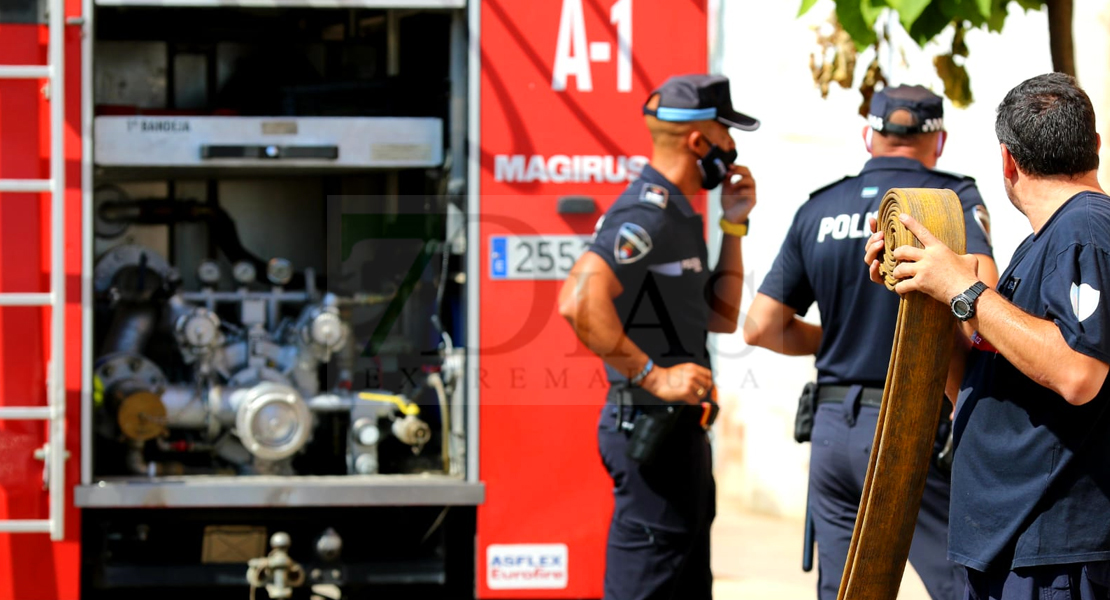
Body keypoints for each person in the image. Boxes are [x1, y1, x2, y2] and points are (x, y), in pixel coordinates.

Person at [744, 84, 999, 600]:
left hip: (834, 428)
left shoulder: (818, 207)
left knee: (846, 590)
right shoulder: (951, 201)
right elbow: (982, 308)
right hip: (913, 418)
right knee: (963, 583)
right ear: (939, 142)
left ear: (869, 136)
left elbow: (761, 326)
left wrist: (837, 339)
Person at [864, 72, 1110, 599]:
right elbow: (977, 386)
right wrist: (926, 291)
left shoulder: (1085, 228)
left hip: (1058, 555)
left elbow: (1078, 372)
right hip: (1017, 546)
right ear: (1094, 144)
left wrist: (966, 290)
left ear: (1007, 161)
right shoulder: (1049, 240)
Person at [557, 74, 758, 600]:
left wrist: (734, 226)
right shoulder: (645, 212)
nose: (732, 150)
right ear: (698, 142)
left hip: (678, 436)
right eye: (725, 135)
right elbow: (577, 301)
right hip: (649, 430)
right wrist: (654, 375)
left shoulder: (679, 211)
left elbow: (720, 316)